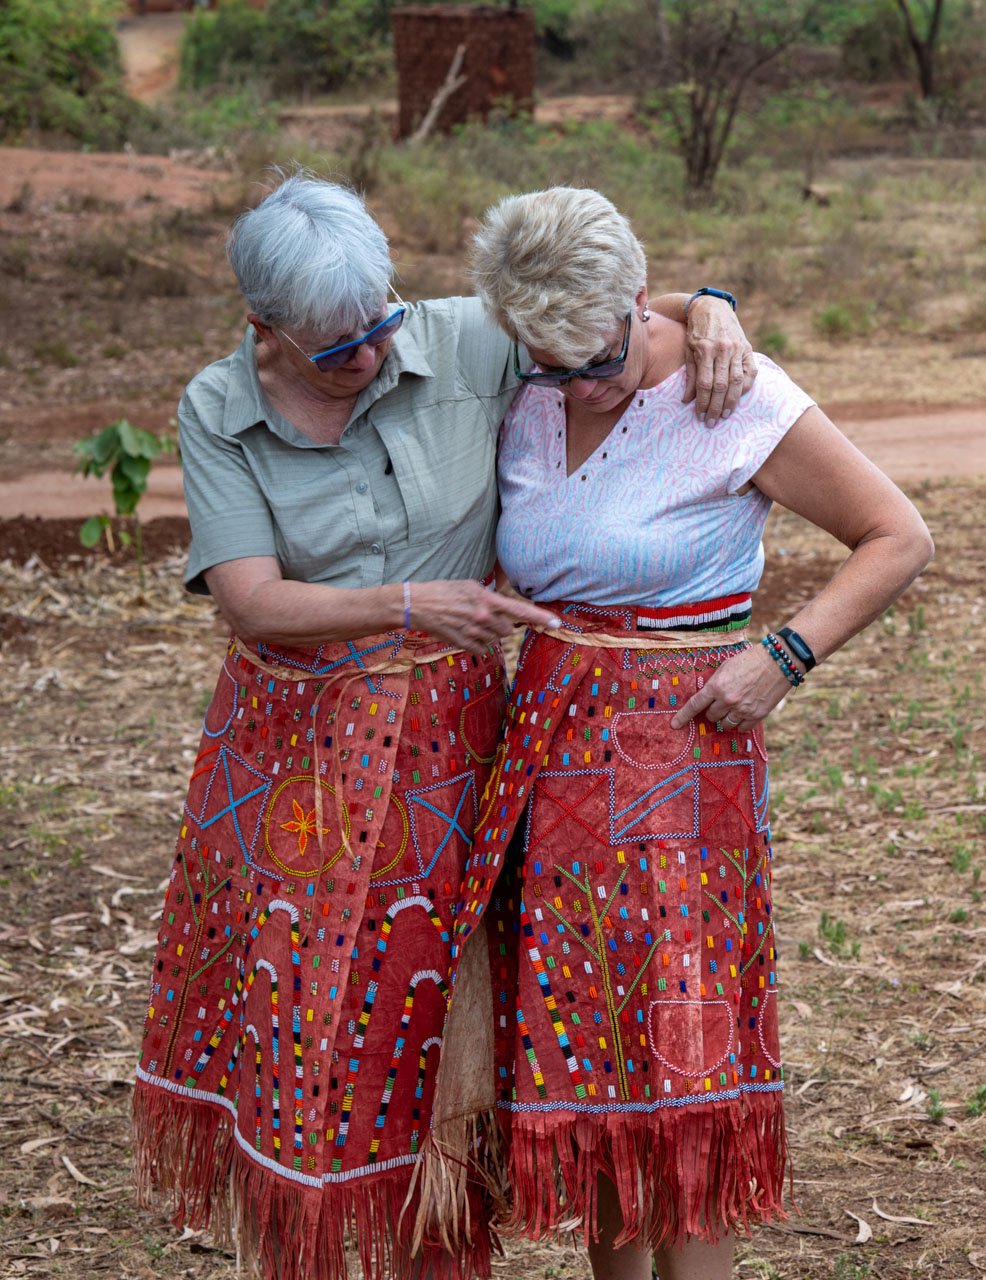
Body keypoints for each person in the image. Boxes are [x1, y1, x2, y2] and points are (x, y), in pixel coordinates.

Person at [130, 172, 755, 1280]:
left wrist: (709, 303)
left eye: (377, 322)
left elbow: (604, 317)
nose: (367, 353)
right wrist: (413, 604)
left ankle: (441, 1253)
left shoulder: (468, 340)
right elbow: (252, 596)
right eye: (333, 346)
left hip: (462, 750)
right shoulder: (216, 410)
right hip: (298, 754)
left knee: (445, 1025)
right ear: (261, 327)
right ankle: (312, 1249)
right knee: (307, 1021)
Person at [450, 186, 932, 1280]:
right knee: (589, 1048)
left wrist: (786, 654)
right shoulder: (526, 369)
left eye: (602, 352)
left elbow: (896, 534)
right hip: (547, 750)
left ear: (636, 299)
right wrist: (702, 295)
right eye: (553, 362)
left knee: (683, 1041)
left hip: (681, 747)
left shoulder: (726, 387)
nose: (582, 381)